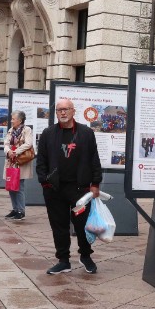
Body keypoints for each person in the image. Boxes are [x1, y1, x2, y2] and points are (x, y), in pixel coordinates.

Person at [36, 98, 102, 275]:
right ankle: (63, 260)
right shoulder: (48, 134)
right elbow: (41, 160)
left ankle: (86, 256)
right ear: (56, 113)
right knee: (59, 225)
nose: (63, 113)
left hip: (79, 189)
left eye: (66, 109)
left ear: (73, 111)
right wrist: (45, 182)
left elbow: (94, 160)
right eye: (59, 110)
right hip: (54, 189)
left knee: (82, 225)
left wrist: (95, 183)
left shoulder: (86, 133)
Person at [3, 110, 34, 221]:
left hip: (20, 162)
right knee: (11, 186)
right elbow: (5, 144)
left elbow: (28, 143)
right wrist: (8, 151)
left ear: (20, 120)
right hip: (11, 162)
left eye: (13, 119)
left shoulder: (27, 130)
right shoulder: (11, 130)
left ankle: (21, 211)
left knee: (19, 186)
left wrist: (15, 152)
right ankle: (15, 209)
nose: (11, 121)